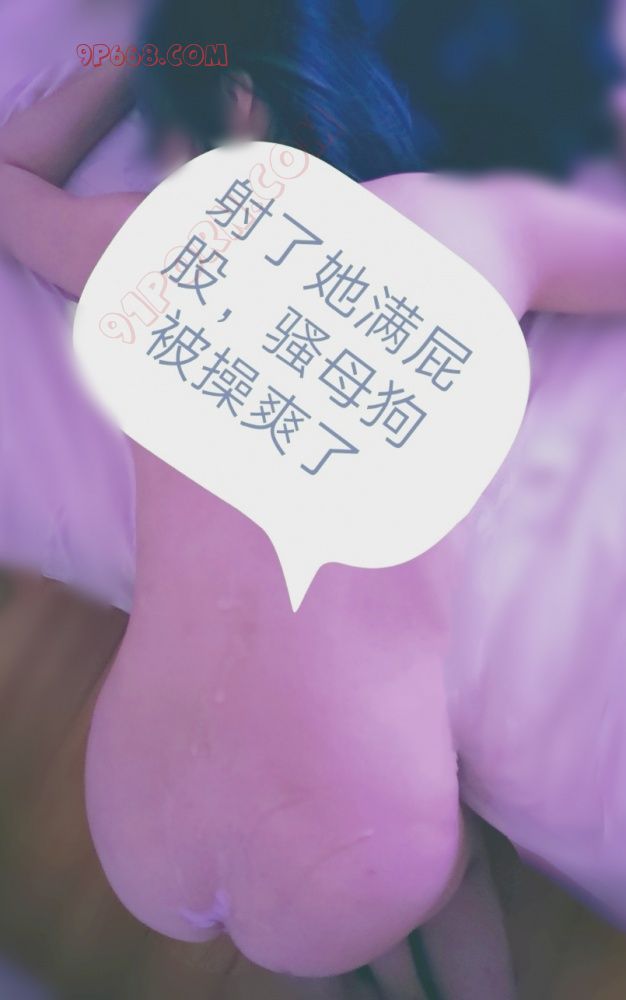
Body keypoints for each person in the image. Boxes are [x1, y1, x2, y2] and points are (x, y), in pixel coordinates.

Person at [1, 0, 626, 988]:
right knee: (419, 871)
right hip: (357, 834)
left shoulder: (159, 235)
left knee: (322, 877)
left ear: (238, 102)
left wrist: (127, 51)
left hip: (136, 823)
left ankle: (329, 926)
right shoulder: (468, 226)